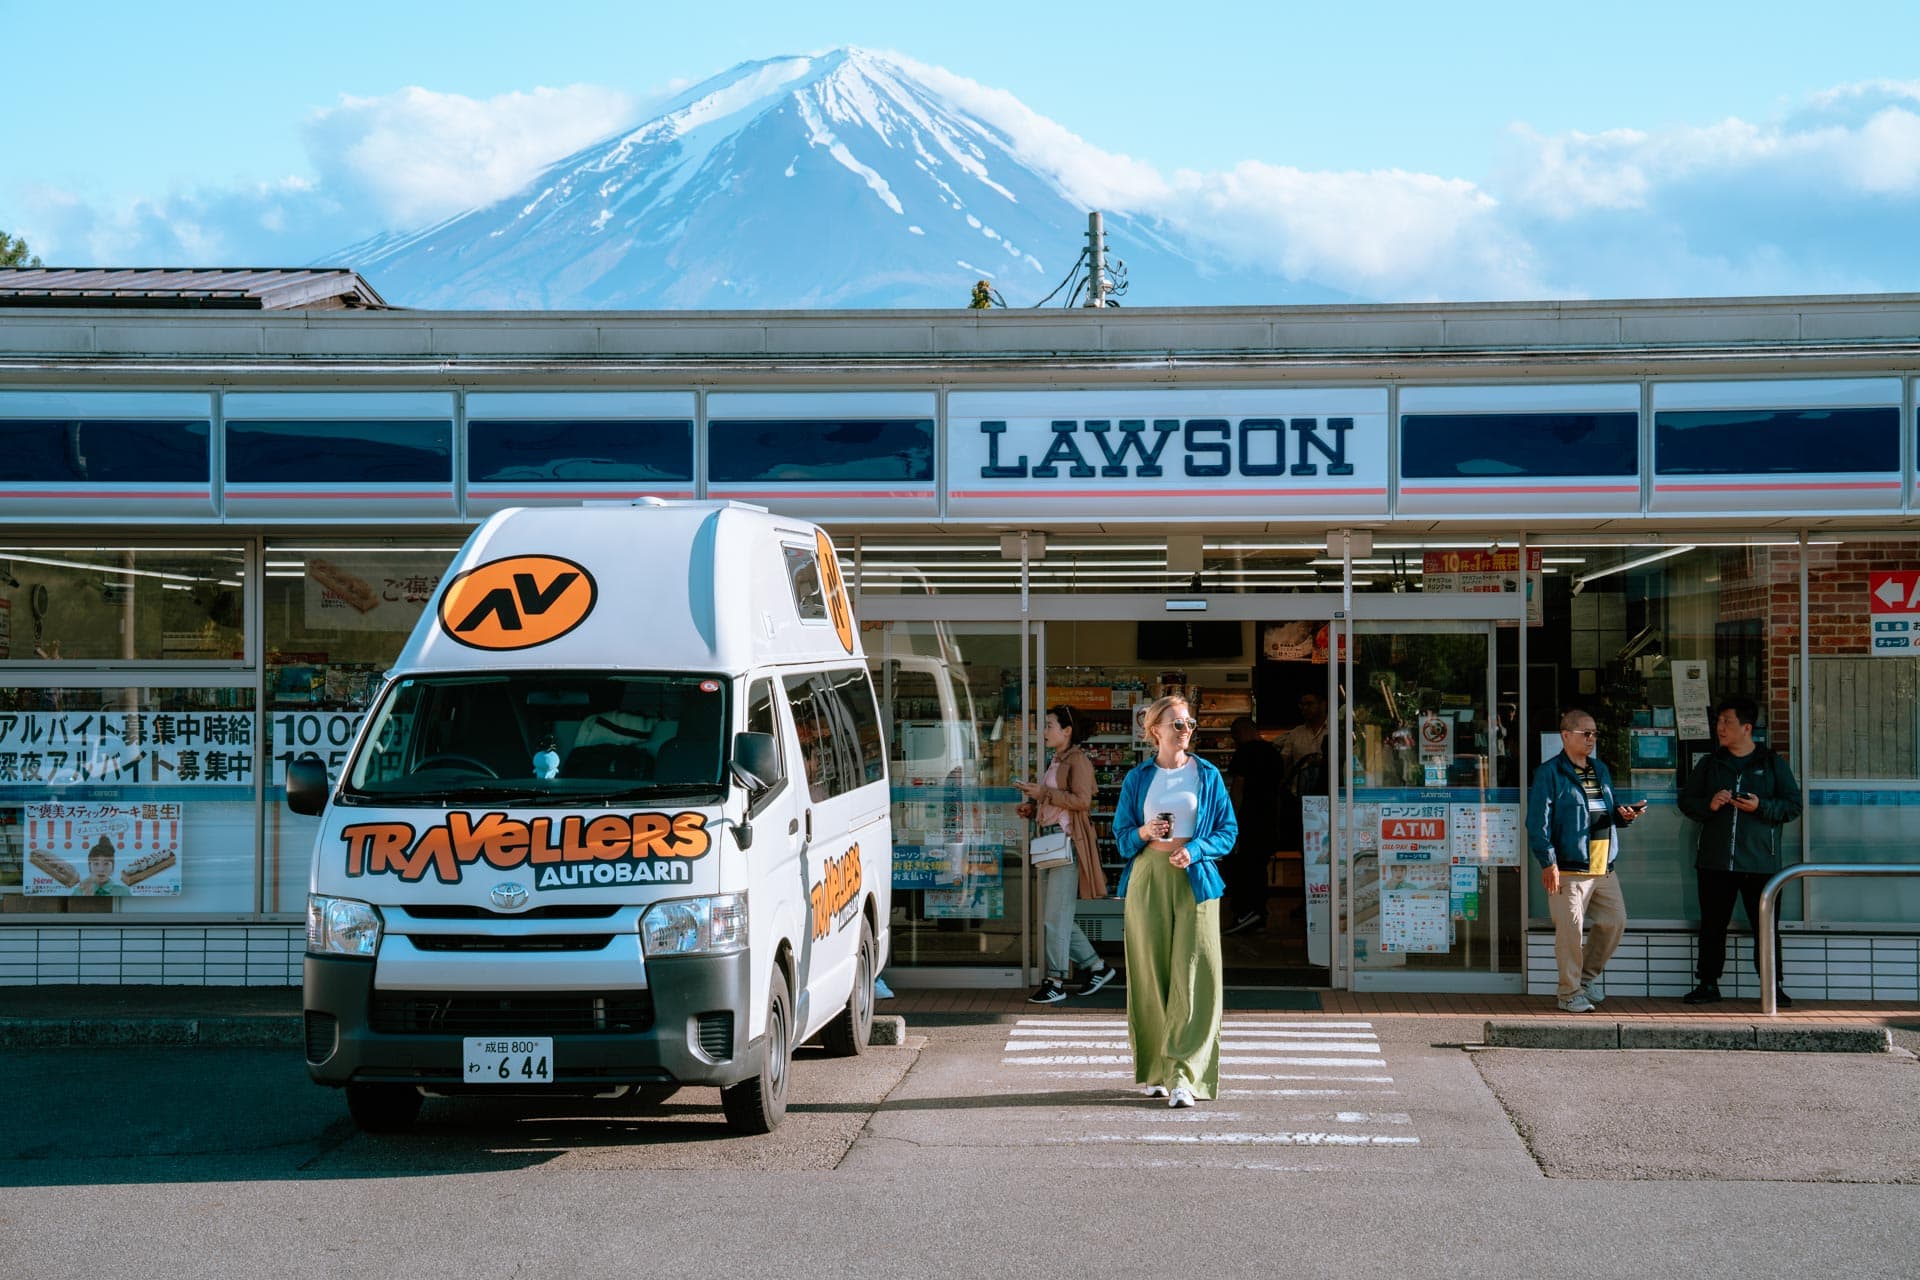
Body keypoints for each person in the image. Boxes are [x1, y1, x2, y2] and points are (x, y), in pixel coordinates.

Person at [1113, 695, 1237, 1108]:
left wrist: (1197, 849)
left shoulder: (1208, 775)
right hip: (1148, 876)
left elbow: (1228, 831)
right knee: (1149, 974)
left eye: (1189, 723)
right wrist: (1146, 832)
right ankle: (1155, 1069)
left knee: (1195, 974)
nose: (1186, 730)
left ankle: (1184, 1074)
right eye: (1177, 723)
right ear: (1155, 731)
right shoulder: (1137, 778)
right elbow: (1121, 837)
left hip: (1195, 879)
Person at [1677, 696, 1804, 1007]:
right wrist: (1711, 804)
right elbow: (1687, 802)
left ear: (1747, 728)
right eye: (1719, 722)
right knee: (1712, 925)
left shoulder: (1771, 764)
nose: (1720, 728)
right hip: (1715, 861)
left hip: (1761, 862)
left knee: (1766, 927)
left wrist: (1761, 806)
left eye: (1727, 722)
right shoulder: (1710, 764)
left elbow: (1793, 806)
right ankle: (1708, 983)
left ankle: (1773, 986)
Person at [1526, 709, 1643, 1013]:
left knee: (1614, 922)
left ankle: (1586, 980)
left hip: (1603, 866)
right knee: (1571, 932)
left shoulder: (1599, 769)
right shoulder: (1549, 773)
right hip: (1568, 867)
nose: (1591, 739)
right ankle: (1569, 992)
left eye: (1594, 734)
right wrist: (1547, 862)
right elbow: (1538, 822)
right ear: (1566, 735)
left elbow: (1605, 809)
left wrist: (1622, 815)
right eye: (1585, 733)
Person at [1013, 706, 1113, 1003]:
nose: (1044, 731)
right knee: (1055, 915)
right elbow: (1060, 803)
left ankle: (1055, 980)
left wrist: (1041, 794)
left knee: (1054, 917)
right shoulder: (1057, 760)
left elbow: (1082, 801)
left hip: (1066, 844)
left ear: (1067, 730)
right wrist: (1033, 810)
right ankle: (1096, 966)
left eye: (1050, 725)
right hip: (1052, 842)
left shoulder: (1077, 760)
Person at [1224, 716, 1282, 935]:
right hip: (1267, 819)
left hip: (1248, 820)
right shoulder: (1274, 754)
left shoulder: (1245, 754)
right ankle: (1259, 913)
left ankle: (1246, 912)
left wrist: (1232, 821)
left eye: (1234, 736)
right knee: (1259, 867)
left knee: (1243, 867)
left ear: (1239, 733)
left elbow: (1238, 789)